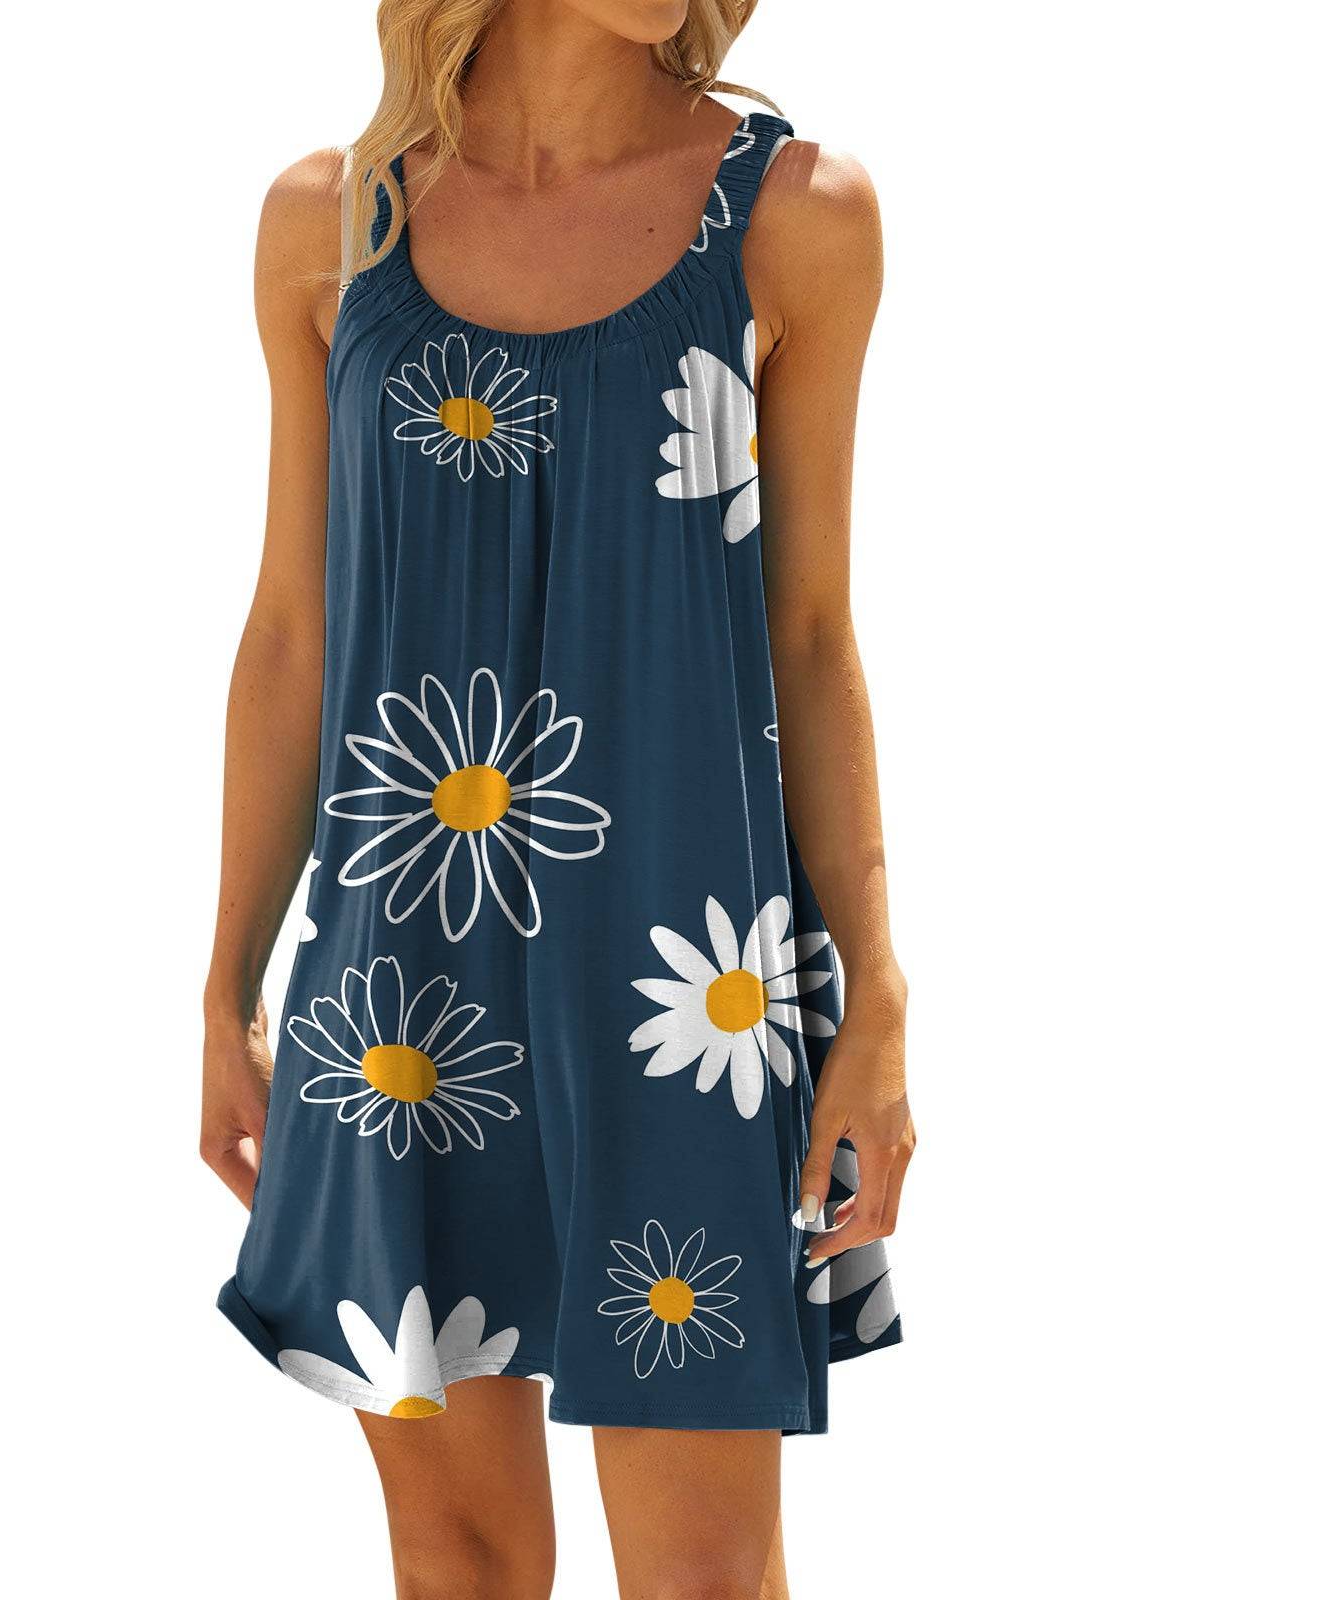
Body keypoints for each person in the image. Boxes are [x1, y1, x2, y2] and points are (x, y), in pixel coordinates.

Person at [201, 3, 914, 1594]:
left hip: (690, 991)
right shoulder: (332, 226)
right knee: (455, 1559)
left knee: (704, 1573)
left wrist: (876, 1001)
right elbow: (293, 635)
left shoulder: (795, 218)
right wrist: (227, 987)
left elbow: (810, 637)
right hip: (405, 987)